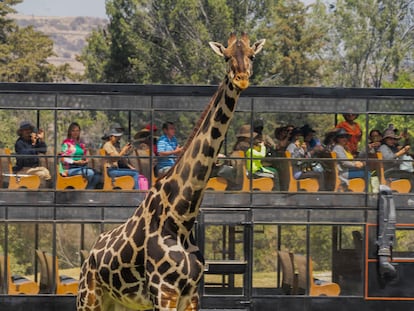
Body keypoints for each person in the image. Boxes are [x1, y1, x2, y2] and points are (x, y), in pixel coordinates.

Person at [59, 122, 101, 189]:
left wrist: (85, 160)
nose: (75, 133)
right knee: (90, 173)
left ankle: (87, 193)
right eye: (73, 131)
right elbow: (63, 159)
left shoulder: (81, 143)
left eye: (77, 131)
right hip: (70, 168)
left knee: (97, 176)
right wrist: (76, 162)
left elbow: (83, 156)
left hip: (81, 167)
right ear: (70, 132)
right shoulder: (66, 143)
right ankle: (83, 192)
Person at [14, 121, 52, 187]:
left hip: (34, 168)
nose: (28, 131)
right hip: (24, 169)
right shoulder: (19, 143)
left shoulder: (32, 140)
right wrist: (34, 145)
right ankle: (42, 191)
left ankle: (46, 190)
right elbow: (25, 155)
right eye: (25, 130)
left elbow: (43, 150)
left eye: (29, 129)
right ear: (21, 132)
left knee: (47, 172)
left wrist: (41, 139)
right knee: (43, 174)